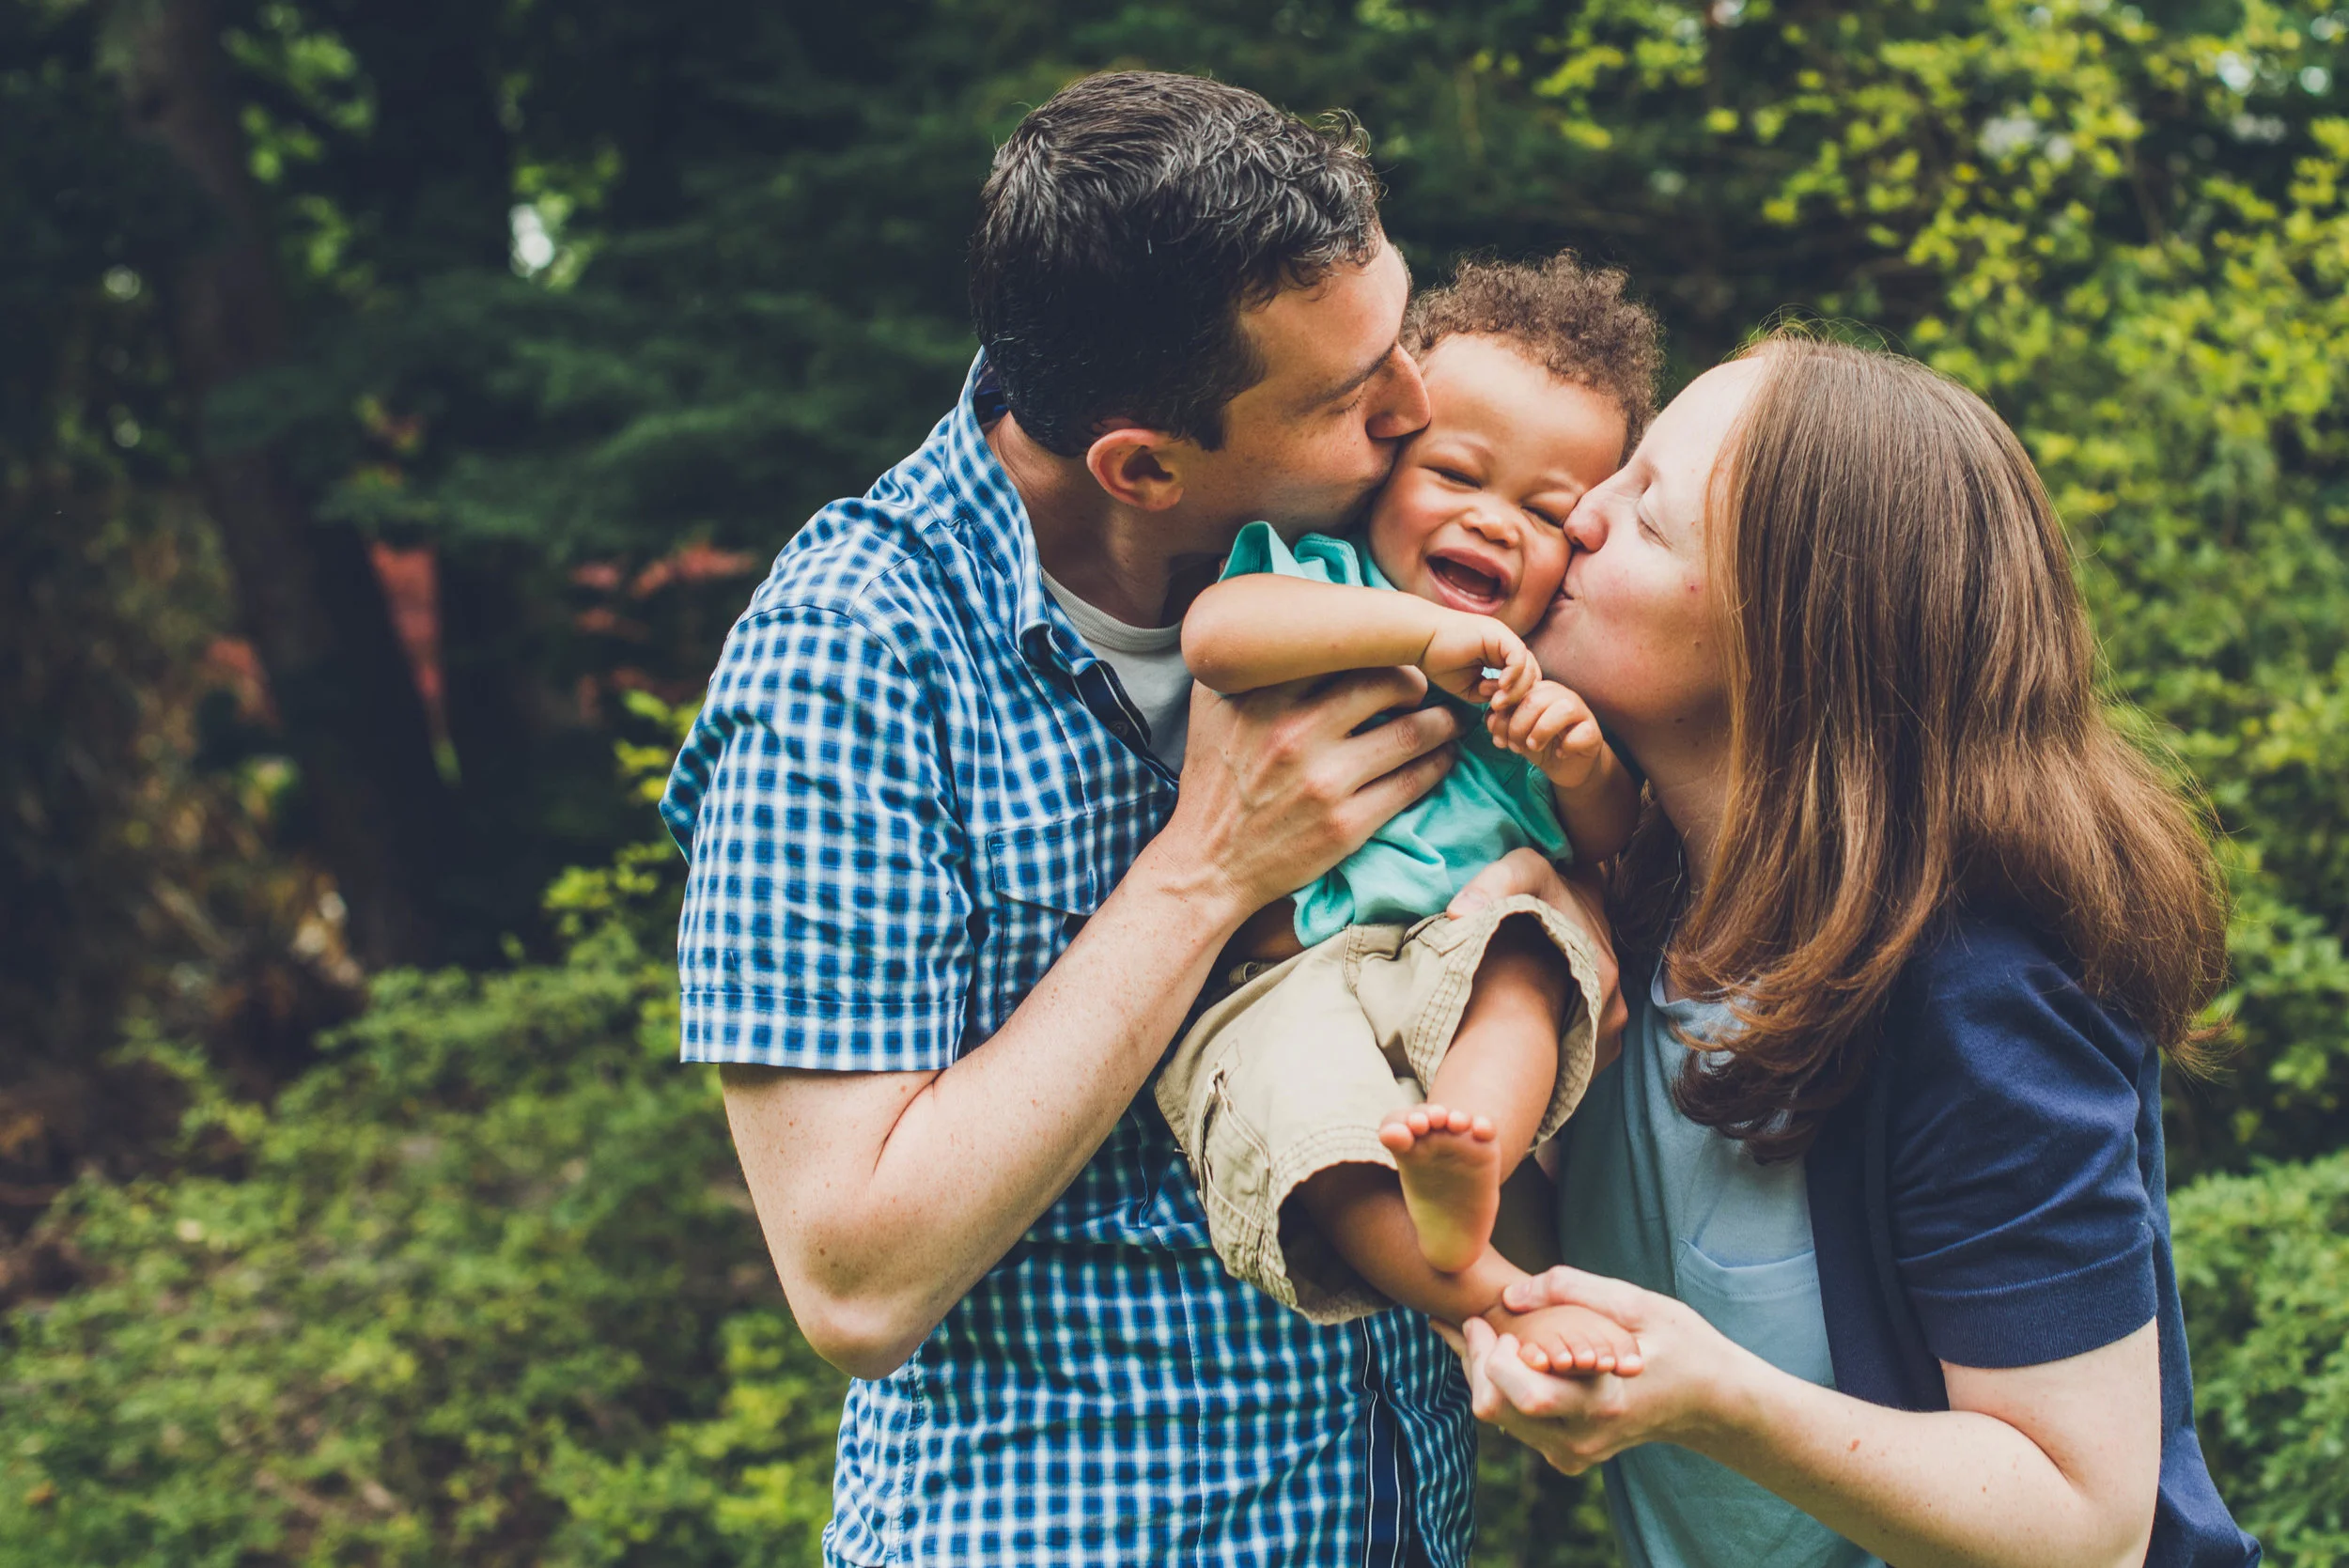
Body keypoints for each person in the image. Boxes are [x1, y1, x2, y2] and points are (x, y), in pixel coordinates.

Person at [661, 71, 1621, 1566]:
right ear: (1143, 466)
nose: (1415, 408)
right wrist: (1204, 873)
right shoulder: (850, 658)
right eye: (1350, 396)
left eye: (1398, 339)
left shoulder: (1383, 554)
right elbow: (854, 1278)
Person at [1442, 334, 2260, 1567]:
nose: (1579, 515)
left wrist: (1717, 1399)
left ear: (1792, 634)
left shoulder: (1977, 993)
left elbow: (2086, 1521)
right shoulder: (1626, 900)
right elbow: (1560, 1265)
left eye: (1647, 516)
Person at [1159, 256, 1657, 1376]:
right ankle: (1492, 1298)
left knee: (1531, 960)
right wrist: (1418, 637)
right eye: (1456, 475)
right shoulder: (1322, 582)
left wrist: (1578, 760)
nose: (1493, 522)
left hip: (1452, 960)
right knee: (1317, 1126)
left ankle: (1467, 1151)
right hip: (1287, 979)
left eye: (1546, 512)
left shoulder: (1535, 682)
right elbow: (1217, 636)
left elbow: (1605, 840)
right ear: (1383, 468)